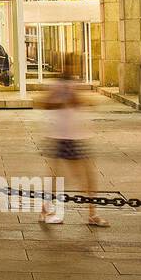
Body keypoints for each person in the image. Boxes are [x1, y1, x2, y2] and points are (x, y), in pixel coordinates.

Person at [38, 65, 108, 227]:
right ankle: (91, 213)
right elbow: (46, 103)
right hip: (66, 137)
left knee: (74, 175)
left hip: (73, 135)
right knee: (80, 176)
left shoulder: (69, 85)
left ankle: (47, 210)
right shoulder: (58, 86)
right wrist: (66, 101)